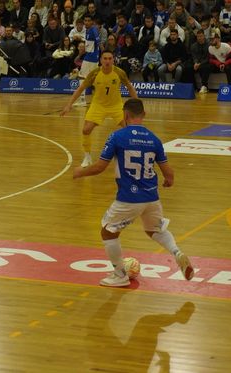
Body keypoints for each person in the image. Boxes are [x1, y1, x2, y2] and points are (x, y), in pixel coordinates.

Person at [72, 98, 194, 287]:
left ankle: (119, 274)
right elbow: (169, 173)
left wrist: (80, 172)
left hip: (129, 198)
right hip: (152, 197)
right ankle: (177, 253)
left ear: (125, 115)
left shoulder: (117, 136)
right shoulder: (154, 139)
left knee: (108, 232)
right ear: (144, 115)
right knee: (155, 230)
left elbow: (99, 167)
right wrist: (168, 182)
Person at [60, 50, 138, 168]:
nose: (107, 61)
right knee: (86, 130)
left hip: (116, 106)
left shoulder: (119, 72)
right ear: (101, 60)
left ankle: (132, 155)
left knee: (131, 129)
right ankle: (87, 157)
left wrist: (138, 105)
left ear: (113, 60)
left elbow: (130, 87)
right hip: (98, 106)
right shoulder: (94, 73)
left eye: (110, 58)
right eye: (105, 58)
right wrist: (69, 105)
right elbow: (80, 89)